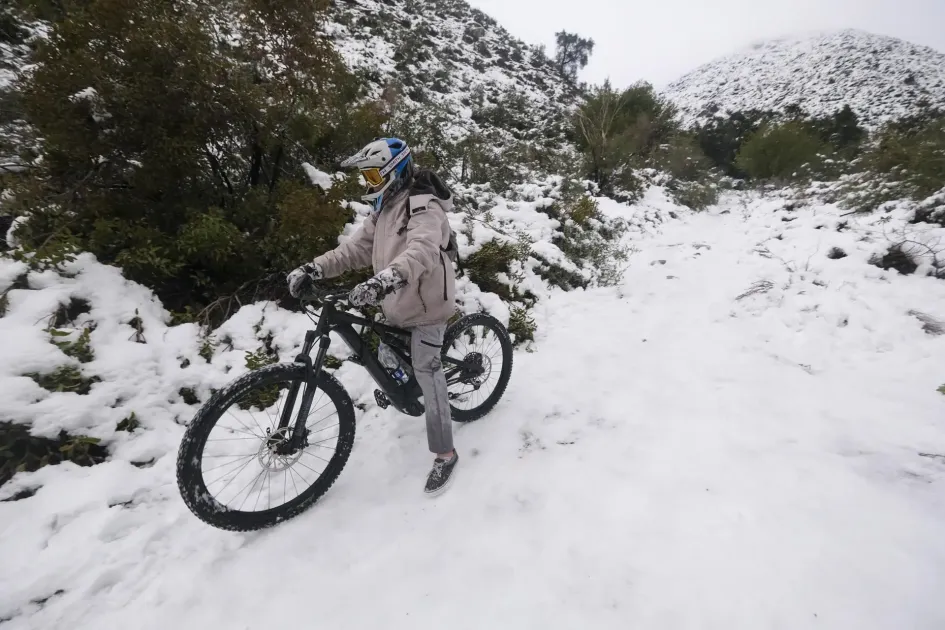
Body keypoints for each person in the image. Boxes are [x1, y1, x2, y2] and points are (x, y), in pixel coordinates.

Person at [286, 138, 459, 496]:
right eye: (364, 176)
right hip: (396, 301)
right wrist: (314, 268)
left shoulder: (424, 207)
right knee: (385, 352)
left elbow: (422, 250)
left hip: (426, 304)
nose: (367, 183)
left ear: (393, 173)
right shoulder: (382, 211)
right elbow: (354, 250)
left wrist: (386, 279)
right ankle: (404, 390)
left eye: (371, 175)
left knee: (428, 370)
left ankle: (445, 452)